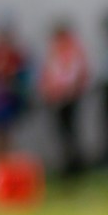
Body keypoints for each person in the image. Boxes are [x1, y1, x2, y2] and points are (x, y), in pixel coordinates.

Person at [40, 21, 90, 180]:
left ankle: (73, 166)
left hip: (69, 98)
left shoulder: (71, 49)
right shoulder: (56, 50)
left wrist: (65, 92)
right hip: (57, 98)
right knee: (62, 133)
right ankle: (67, 164)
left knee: (69, 133)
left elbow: (73, 74)